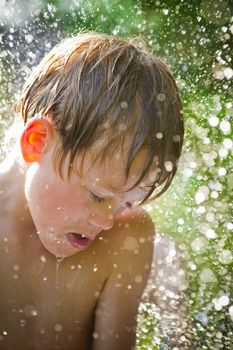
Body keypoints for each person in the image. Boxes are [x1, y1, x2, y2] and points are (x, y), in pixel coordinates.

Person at [0, 32, 184, 350]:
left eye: (126, 202)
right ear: (37, 142)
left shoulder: (126, 240)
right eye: (98, 195)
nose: (107, 221)